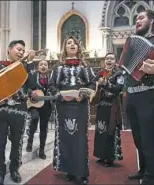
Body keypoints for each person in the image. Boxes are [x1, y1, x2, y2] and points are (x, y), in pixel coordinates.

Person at [119, 10, 154, 185]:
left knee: (149, 139)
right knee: (138, 138)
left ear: (152, 21)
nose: (137, 21)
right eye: (136, 18)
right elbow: (126, 67)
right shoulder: (133, 43)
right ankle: (143, 170)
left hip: (149, 95)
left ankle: (152, 178)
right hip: (132, 97)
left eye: (141, 17)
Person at [0, 40, 35, 185]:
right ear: (9, 49)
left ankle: (15, 169)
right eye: (18, 49)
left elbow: (34, 85)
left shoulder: (25, 67)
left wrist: (30, 64)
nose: (21, 52)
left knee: (17, 142)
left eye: (23, 50)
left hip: (19, 110)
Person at [48, 36, 96, 185]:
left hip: (80, 106)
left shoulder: (85, 67)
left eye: (75, 42)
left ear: (78, 47)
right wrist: (62, 97)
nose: (72, 45)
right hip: (63, 107)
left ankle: (81, 173)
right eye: (69, 43)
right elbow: (51, 87)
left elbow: (93, 84)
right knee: (65, 137)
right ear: (65, 48)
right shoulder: (58, 68)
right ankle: (69, 169)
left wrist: (85, 95)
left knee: (80, 139)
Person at [93, 52, 124, 167]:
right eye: (107, 58)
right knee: (100, 130)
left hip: (112, 107)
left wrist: (106, 83)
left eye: (111, 58)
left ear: (115, 61)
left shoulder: (119, 74)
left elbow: (118, 89)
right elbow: (93, 86)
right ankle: (101, 155)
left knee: (110, 132)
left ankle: (110, 158)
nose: (109, 60)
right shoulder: (100, 73)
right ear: (104, 61)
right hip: (101, 106)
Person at [26, 60, 52, 160]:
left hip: (46, 105)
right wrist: (31, 93)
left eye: (45, 64)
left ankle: (42, 150)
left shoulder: (51, 79)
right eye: (41, 64)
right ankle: (30, 140)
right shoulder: (33, 77)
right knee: (35, 118)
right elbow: (28, 88)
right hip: (34, 103)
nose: (43, 66)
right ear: (38, 67)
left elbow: (54, 89)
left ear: (48, 67)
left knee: (43, 128)